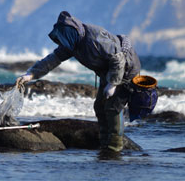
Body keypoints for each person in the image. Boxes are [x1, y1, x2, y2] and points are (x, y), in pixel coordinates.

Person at [15, 11, 141, 152]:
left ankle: (115, 146)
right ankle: (105, 142)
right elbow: (52, 60)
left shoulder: (95, 38)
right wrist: (30, 74)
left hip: (126, 69)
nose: (63, 42)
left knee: (113, 107)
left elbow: (118, 59)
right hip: (109, 73)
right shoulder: (71, 44)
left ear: (71, 32)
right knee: (99, 107)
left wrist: (113, 84)